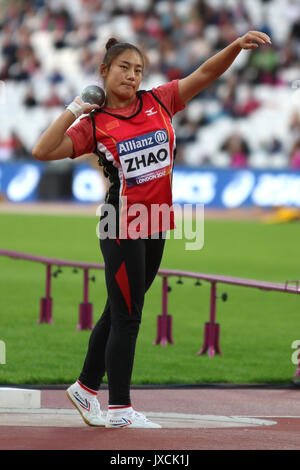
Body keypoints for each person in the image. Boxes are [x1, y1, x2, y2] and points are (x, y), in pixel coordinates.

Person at [32, 30, 271, 429]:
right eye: (124, 68)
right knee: (128, 318)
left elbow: (206, 73)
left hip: (157, 225)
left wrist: (234, 47)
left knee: (118, 311)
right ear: (104, 71)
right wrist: (76, 107)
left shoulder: (159, 100)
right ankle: (120, 410)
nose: (132, 76)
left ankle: (85, 387)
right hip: (121, 227)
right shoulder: (95, 124)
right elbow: (42, 151)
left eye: (138, 69)